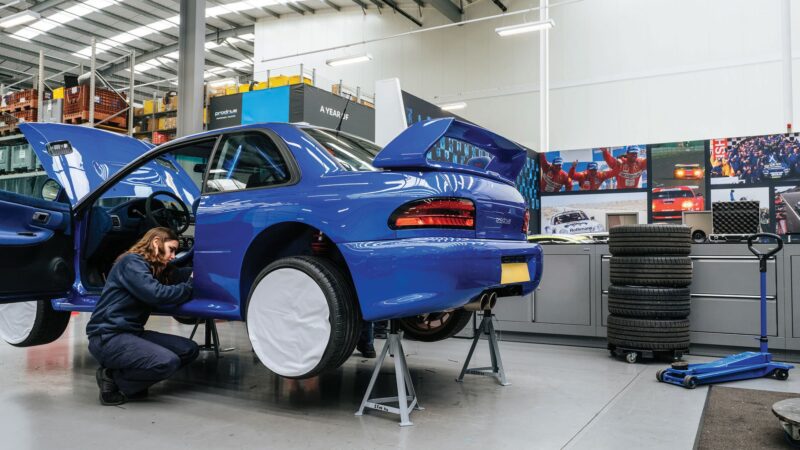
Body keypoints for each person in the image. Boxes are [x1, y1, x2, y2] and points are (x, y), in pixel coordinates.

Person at [87, 227, 197, 406]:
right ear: (155, 243)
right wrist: (190, 285)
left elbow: (180, 275)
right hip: (107, 336)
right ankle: (112, 378)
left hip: (131, 333)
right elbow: (156, 294)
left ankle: (132, 381)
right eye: (171, 249)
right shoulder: (132, 262)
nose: (173, 256)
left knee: (189, 350)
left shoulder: (156, 268)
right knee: (167, 361)